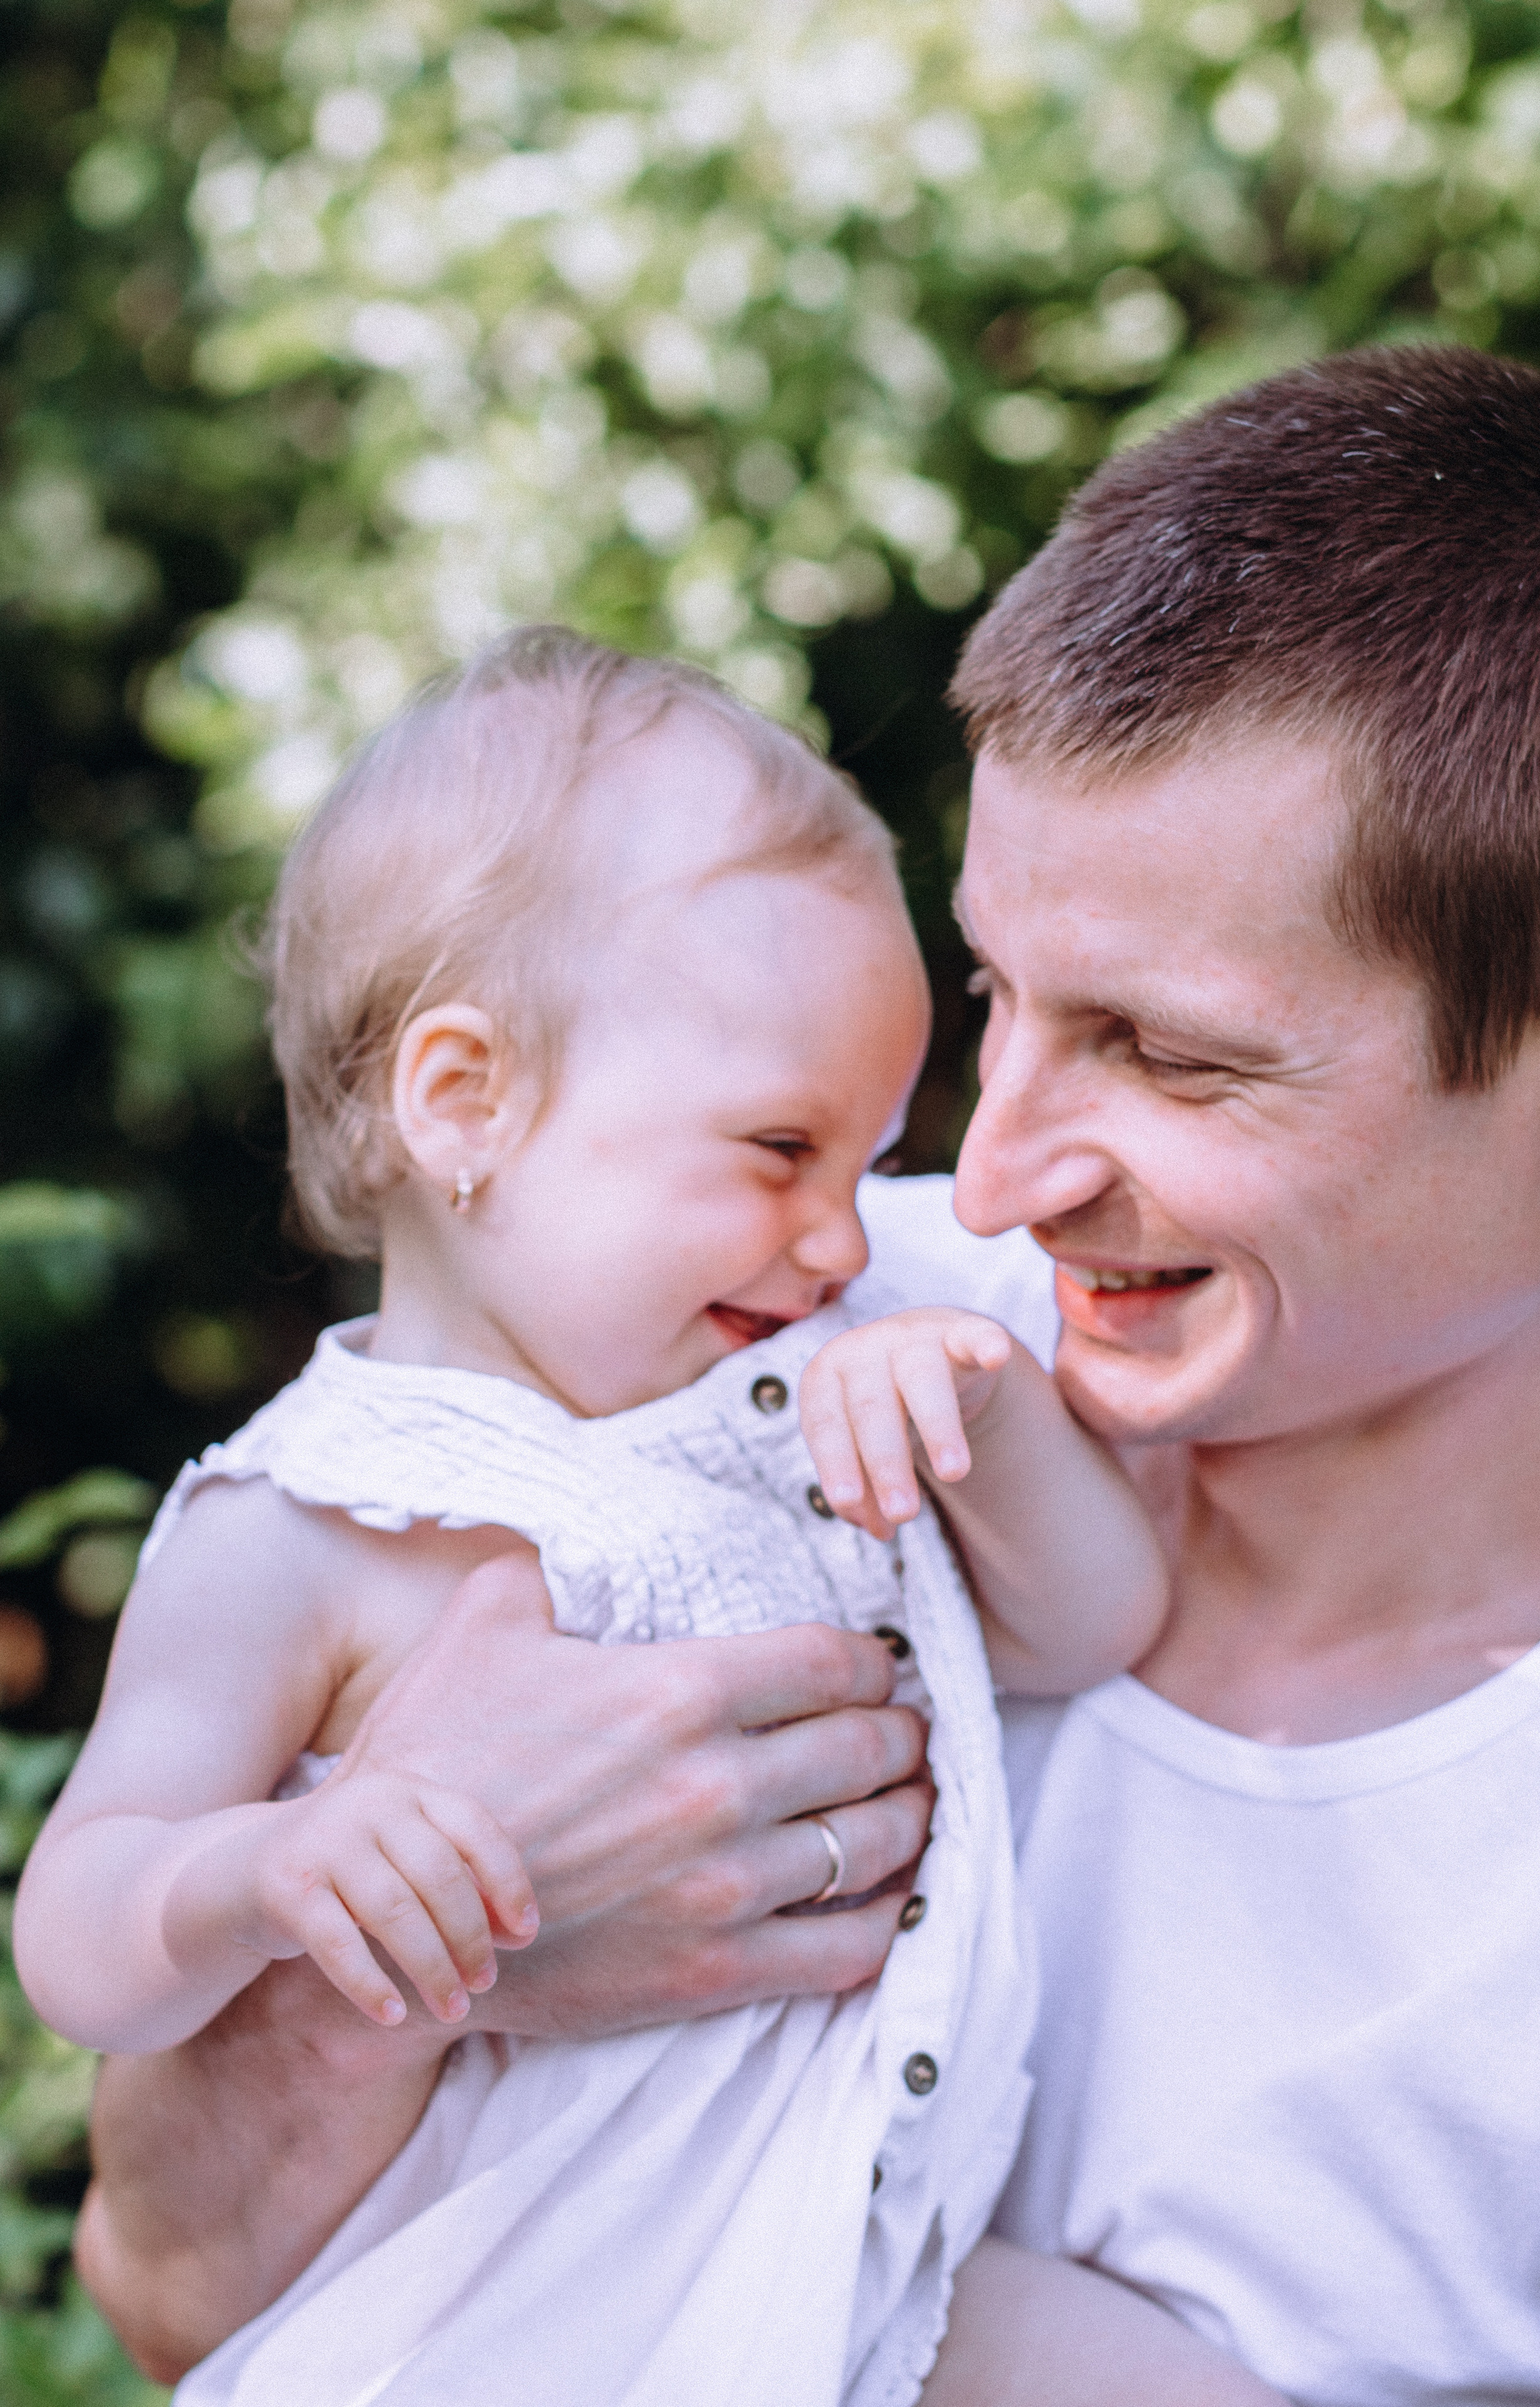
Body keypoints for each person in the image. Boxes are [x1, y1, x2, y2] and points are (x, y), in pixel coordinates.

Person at [77, 338, 1540, 2404]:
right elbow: (169, 2294)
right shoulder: (732, 1325)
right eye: (999, 993)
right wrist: (430, 1960)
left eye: (1166, 1049)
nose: (977, 1175)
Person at [18, 627, 1184, 2407]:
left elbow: (1095, 1625)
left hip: (848, 2260)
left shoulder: (815, 1386)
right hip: (496, 2331)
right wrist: (259, 1881)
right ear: (464, 1102)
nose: (845, 1240)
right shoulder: (309, 1523)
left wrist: (983, 1416)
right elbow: (83, 1941)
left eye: (872, 1166)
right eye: (779, 1151)